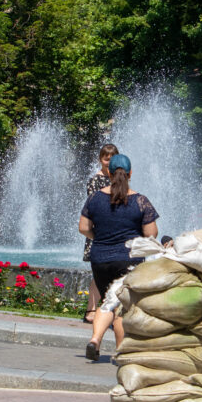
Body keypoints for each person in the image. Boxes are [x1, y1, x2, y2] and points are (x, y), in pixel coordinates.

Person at [78, 153, 158, 361]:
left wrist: (100, 238)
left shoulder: (95, 198)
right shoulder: (140, 201)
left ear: (109, 173)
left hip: (100, 258)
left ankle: (95, 340)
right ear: (130, 173)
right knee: (122, 306)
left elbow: (83, 228)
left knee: (107, 301)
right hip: (128, 259)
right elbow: (152, 234)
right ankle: (121, 351)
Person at [82, 143, 119, 323]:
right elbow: (94, 206)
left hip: (115, 231)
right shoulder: (95, 181)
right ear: (100, 159)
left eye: (112, 157)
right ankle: (91, 310)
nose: (109, 161)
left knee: (111, 273)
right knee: (97, 274)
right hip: (99, 232)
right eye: (106, 157)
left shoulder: (118, 179)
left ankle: (107, 310)